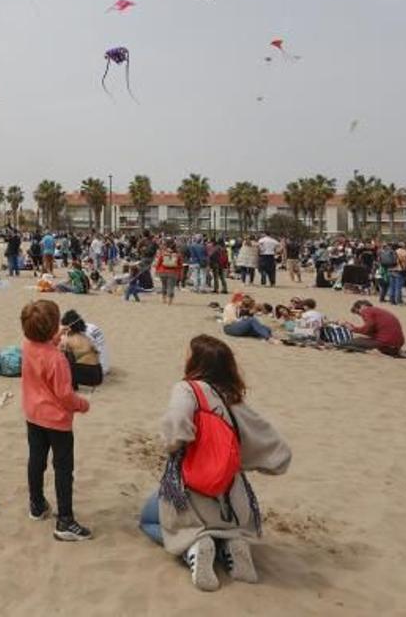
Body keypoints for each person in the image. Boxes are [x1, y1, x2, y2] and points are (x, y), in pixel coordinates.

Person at [138, 335, 290, 591]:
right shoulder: (233, 399)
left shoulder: (188, 388)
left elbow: (175, 427)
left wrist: (176, 445)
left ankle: (194, 548)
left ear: (196, 362)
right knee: (221, 523)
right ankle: (231, 544)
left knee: (148, 519)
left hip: (192, 490)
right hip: (232, 499)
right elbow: (277, 451)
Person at [19, 299, 92, 541]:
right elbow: (64, 395)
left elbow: (41, 349)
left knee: (36, 460)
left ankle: (37, 505)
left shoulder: (28, 345)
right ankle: (65, 521)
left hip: (33, 416)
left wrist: (52, 336)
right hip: (57, 422)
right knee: (63, 469)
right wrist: (82, 405)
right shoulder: (57, 359)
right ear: (51, 329)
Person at [58, 310, 104, 388]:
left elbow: (55, 353)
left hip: (87, 375)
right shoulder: (86, 337)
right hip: (98, 374)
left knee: (62, 362)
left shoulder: (68, 339)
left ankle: (71, 386)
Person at [154, 240, 182, 305]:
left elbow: (158, 263)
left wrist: (157, 270)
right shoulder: (177, 255)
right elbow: (180, 265)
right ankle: (170, 300)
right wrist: (179, 274)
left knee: (164, 285)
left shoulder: (163, 253)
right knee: (171, 286)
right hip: (173, 272)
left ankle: (164, 299)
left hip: (162, 272)